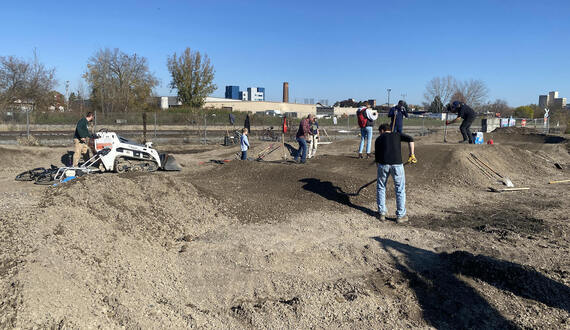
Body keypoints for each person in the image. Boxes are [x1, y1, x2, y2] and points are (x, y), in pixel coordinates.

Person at [375, 123, 416, 223]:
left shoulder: (378, 139)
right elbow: (411, 139)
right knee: (400, 189)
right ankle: (400, 216)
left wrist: (380, 170)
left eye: (380, 132)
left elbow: (377, 159)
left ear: (382, 130)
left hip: (383, 165)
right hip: (397, 165)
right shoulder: (397, 135)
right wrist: (412, 154)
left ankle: (382, 213)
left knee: (381, 187)